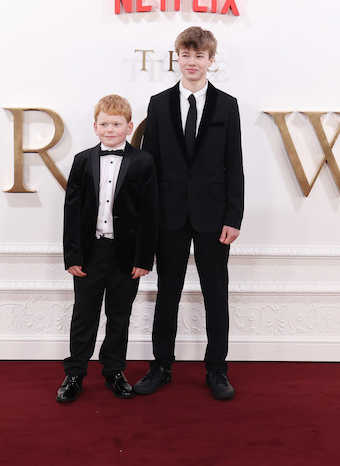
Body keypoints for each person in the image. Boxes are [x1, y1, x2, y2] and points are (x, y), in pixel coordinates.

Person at [135, 26, 244, 400]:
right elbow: (150, 166)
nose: (192, 62)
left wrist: (234, 217)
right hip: (170, 215)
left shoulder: (227, 105)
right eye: (186, 54)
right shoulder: (158, 103)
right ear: (177, 58)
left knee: (217, 293)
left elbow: (235, 164)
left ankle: (217, 370)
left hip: (215, 217)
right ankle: (161, 365)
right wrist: (149, 218)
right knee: (168, 292)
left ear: (211, 60)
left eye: (200, 56)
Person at [57, 94, 158, 403]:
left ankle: (114, 371)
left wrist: (143, 258)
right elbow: (72, 210)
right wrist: (72, 255)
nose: (110, 129)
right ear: (95, 126)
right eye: (104, 123)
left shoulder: (144, 161)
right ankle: (74, 373)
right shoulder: (82, 160)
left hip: (126, 256)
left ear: (129, 127)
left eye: (116, 124)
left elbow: (150, 213)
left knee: (119, 315)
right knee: (84, 315)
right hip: (89, 253)